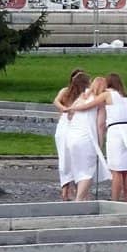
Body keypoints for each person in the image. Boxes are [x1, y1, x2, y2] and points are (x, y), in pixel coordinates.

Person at [70, 72, 127, 201]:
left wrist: (74, 108)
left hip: (116, 131)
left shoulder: (107, 94)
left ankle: (115, 199)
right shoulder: (125, 96)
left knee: (116, 169)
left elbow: (90, 104)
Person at [64, 74, 111, 200]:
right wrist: (100, 144)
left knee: (78, 168)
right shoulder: (99, 102)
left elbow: (70, 116)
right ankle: (79, 200)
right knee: (88, 171)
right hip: (86, 138)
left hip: (72, 136)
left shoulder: (81, 97)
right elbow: (101, 125)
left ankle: (84, 198)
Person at [52, 67, 85, 201]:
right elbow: (56, 101)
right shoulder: (65, 91)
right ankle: (65, 189)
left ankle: (78, 188)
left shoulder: (84, 94)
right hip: (65, 126)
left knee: (77, 158)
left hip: (77, 125)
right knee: (65, 158)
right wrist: (64, 109)